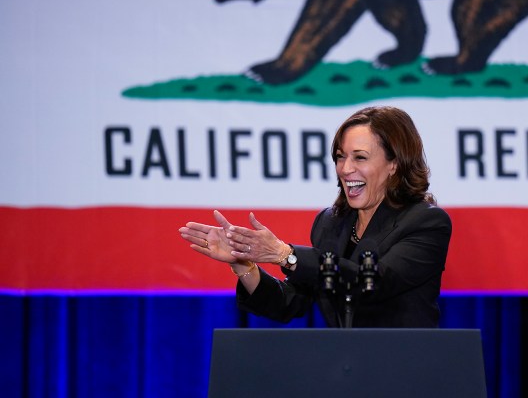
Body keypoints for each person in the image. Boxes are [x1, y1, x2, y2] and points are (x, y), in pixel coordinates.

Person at [178, 106, 452, 327]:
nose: (345, 169)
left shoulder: (425, 223)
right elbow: (290, 303)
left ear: (394, 163)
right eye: (339, 156)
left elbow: (373, 282)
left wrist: (286, 255)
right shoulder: (330, 223)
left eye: (359, 157)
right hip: (344, 374)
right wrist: (242, 263)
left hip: (405, 375)